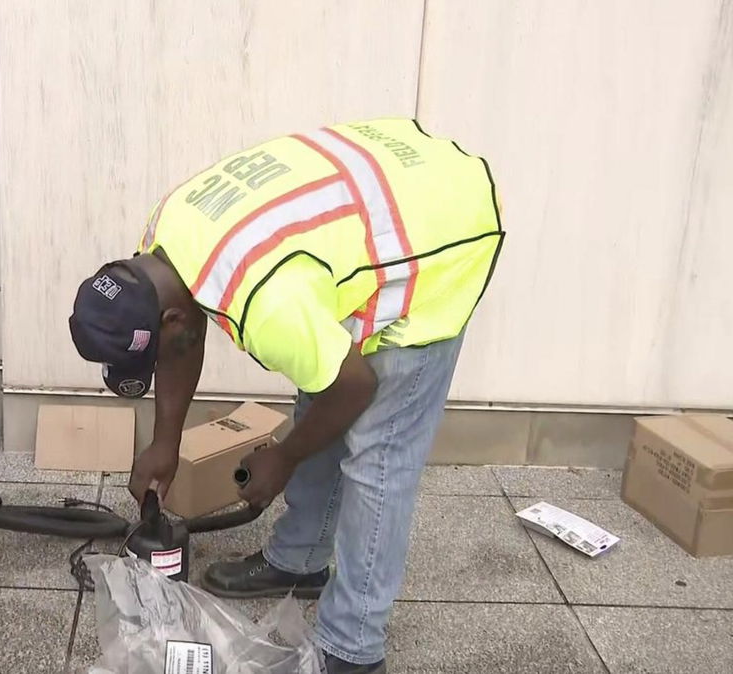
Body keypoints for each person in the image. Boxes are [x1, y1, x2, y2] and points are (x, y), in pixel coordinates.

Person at [69, 118, 504, 673]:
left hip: (442, 229)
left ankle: (354, 645)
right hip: (376, 195)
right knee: (319, 390)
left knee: (378, 454)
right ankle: (300, 561)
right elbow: (184, 338)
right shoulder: (162, 240)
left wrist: (284, 456)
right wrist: (166, 443)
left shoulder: (267, 305)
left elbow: (355, 387)